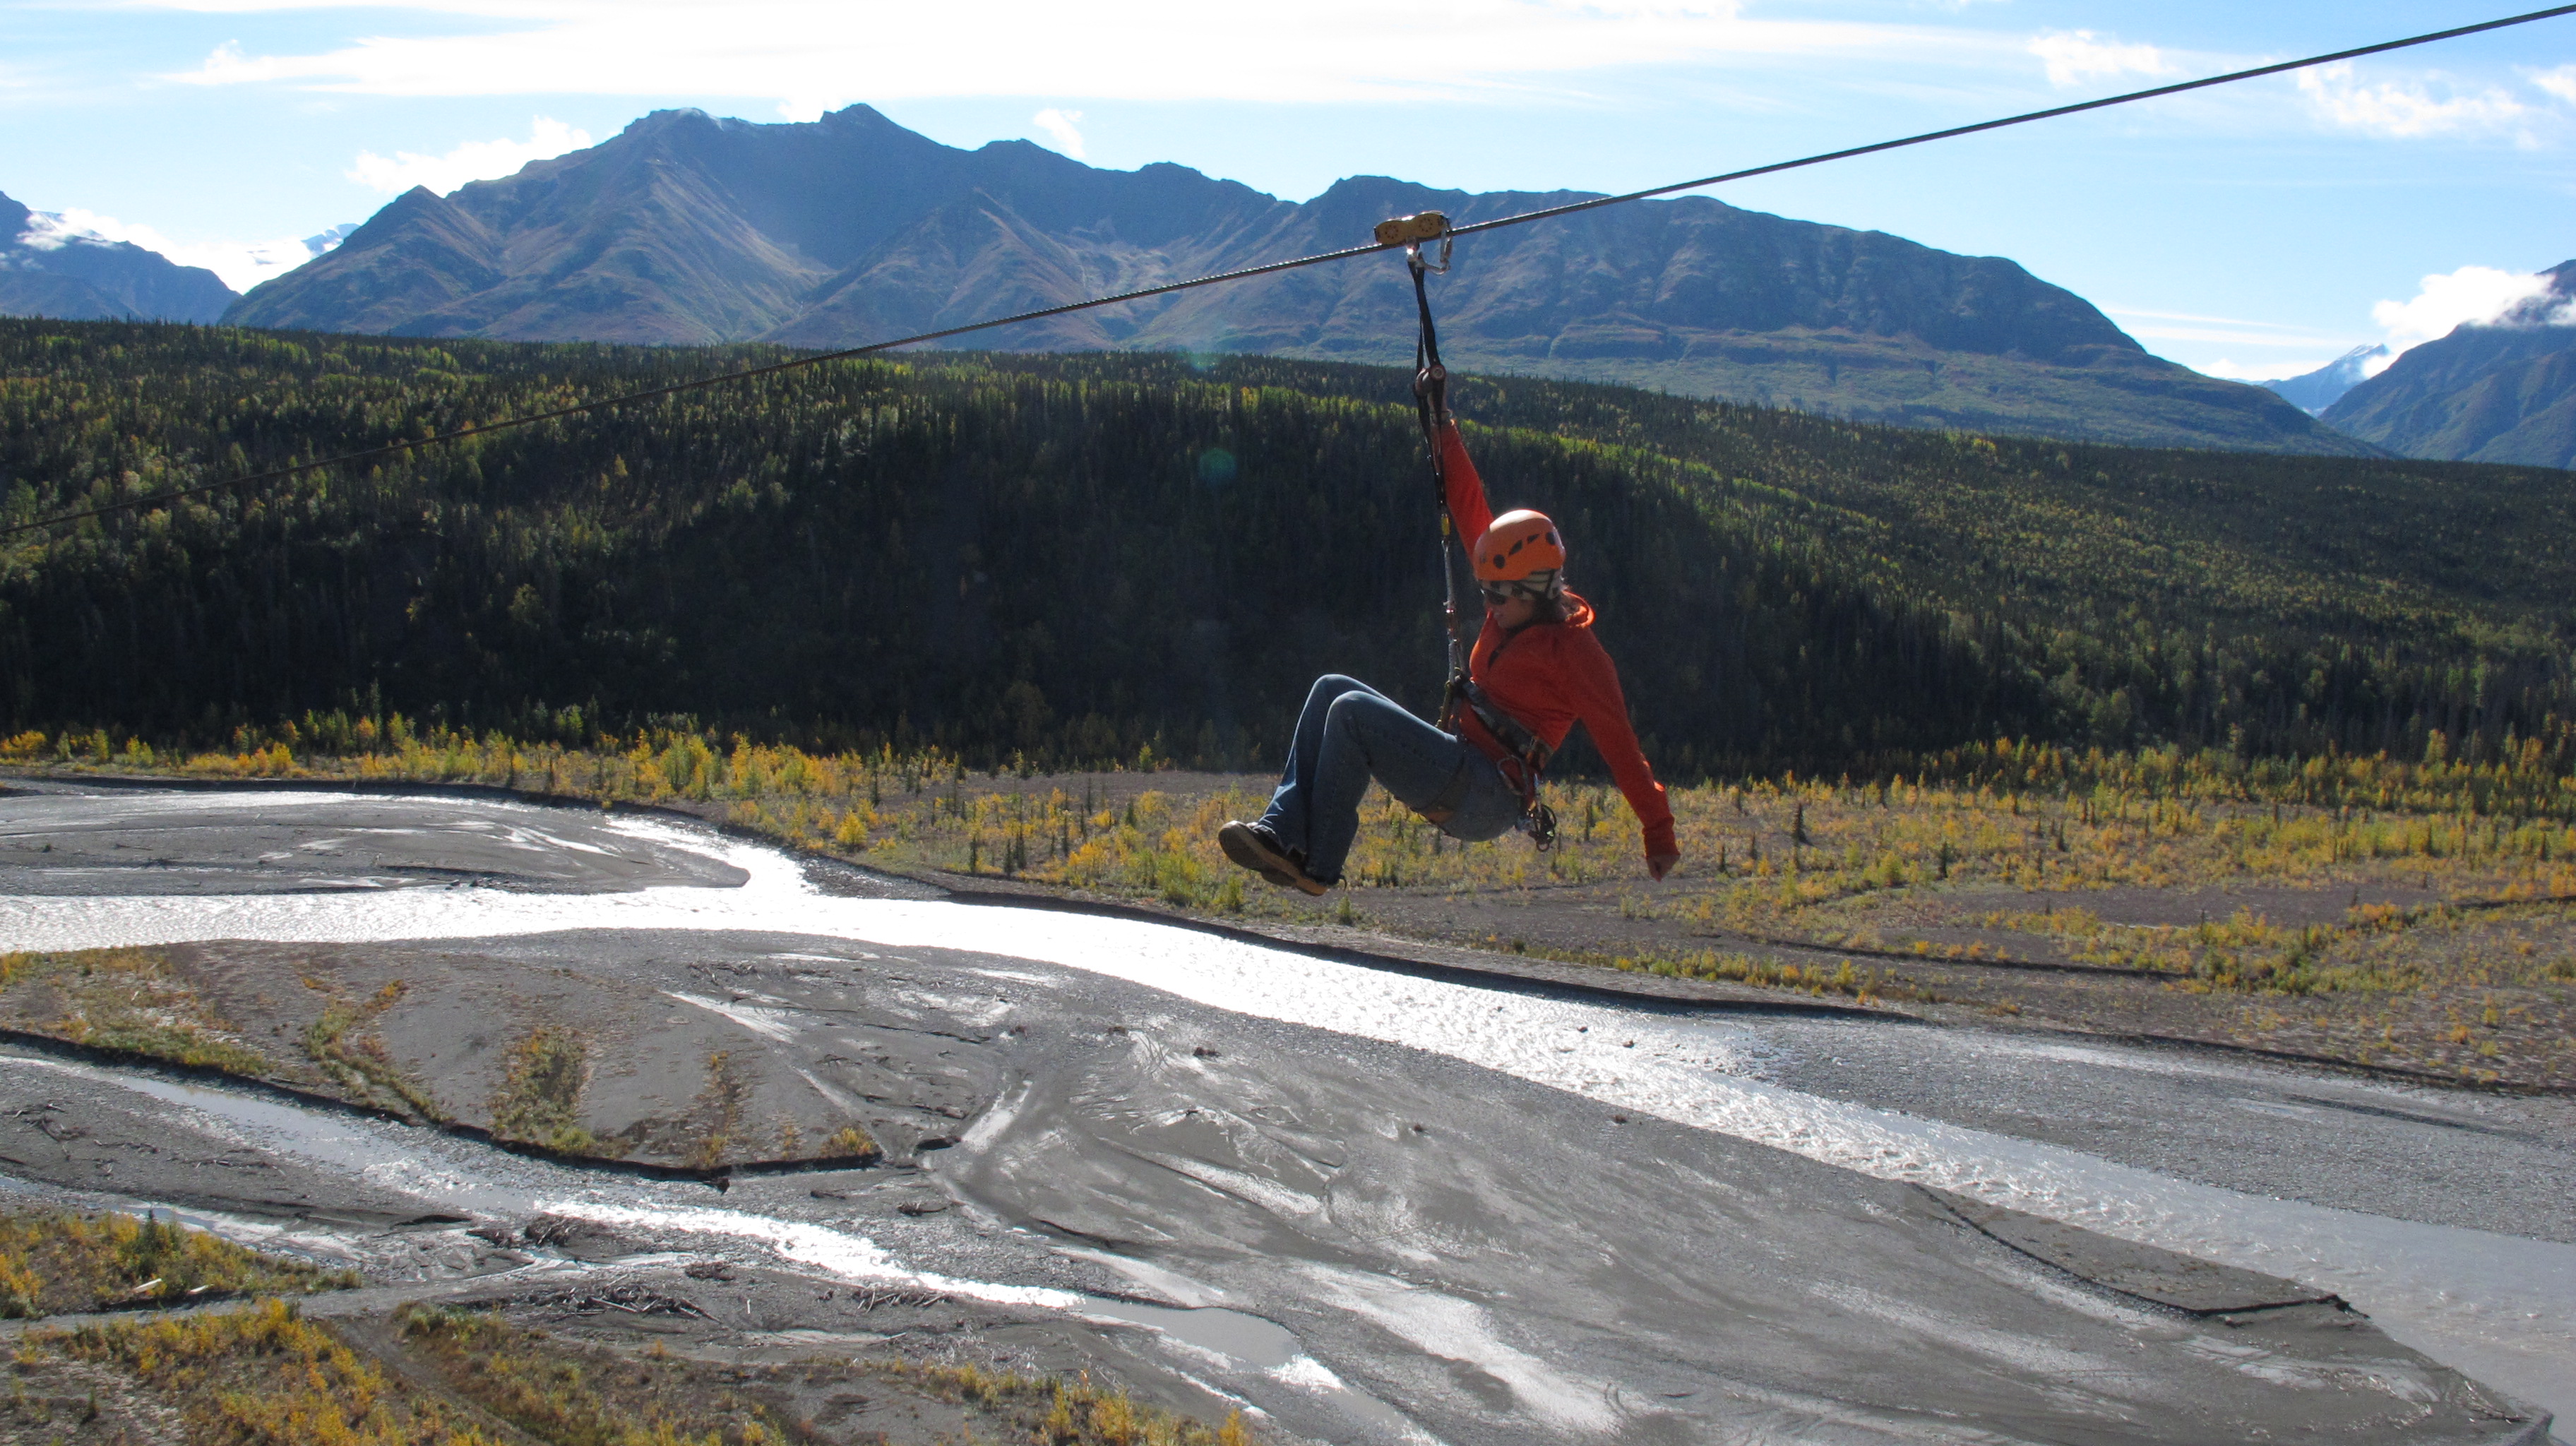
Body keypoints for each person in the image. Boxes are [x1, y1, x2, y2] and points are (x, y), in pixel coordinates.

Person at [1219, 416, 1680, 894]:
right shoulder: (1512, 599)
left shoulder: (1577, 653)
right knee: (1330, 688)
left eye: (1500, 599)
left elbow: (1621, 746)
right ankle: (1281, 832)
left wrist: (1658, 831)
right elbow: (1469, 508)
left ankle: (1317, 863)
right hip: (1459, 762)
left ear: (1536, 591)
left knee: (1352, 715)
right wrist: (1443, 430)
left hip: (1487, 795)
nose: (1491, 608)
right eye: (1488, 595)